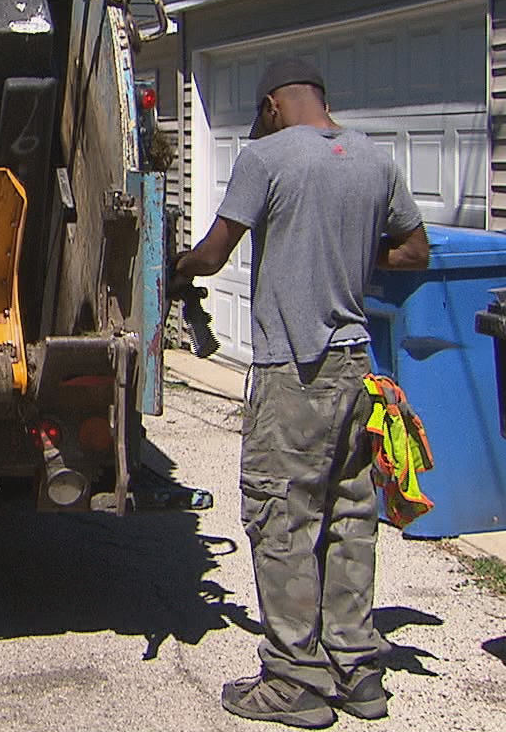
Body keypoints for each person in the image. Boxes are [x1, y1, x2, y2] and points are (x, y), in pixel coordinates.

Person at [170, 58, 429, 729]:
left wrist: (173, 270)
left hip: (295, 373)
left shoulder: (267, 157)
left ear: (273, 105)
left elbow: (214, 254)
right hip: (357, 370)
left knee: (282, 518)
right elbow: (415, 253)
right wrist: (350, 251)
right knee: (348, 516)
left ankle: (294, 681)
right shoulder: (374, 159)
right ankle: (356, 671)